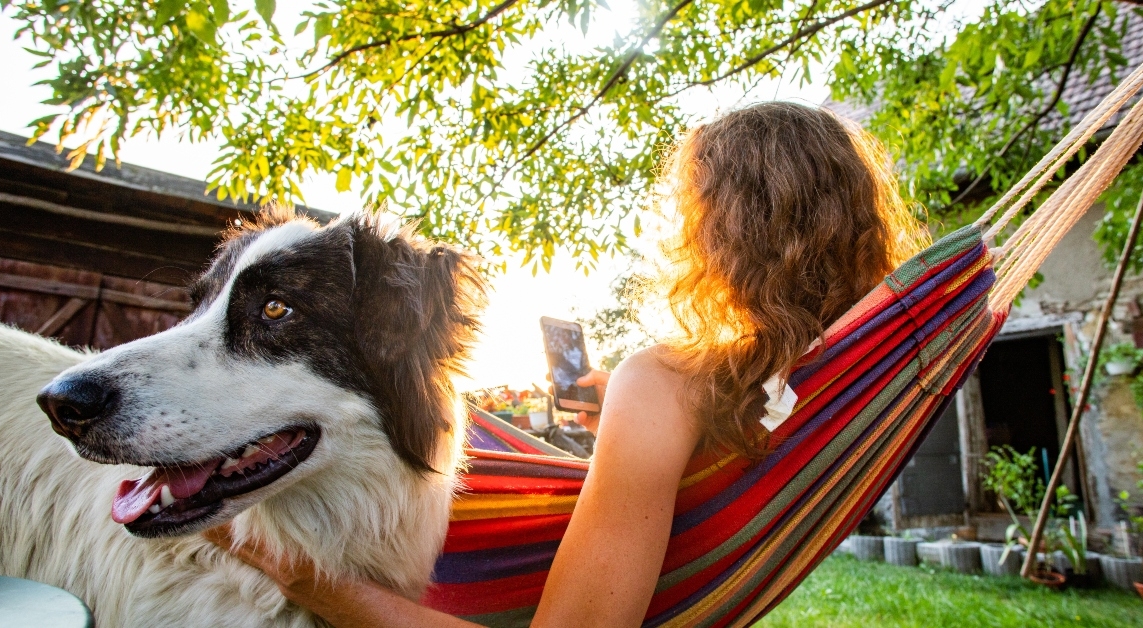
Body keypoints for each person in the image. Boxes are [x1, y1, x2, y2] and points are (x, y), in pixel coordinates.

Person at [204, 101, 928, 627]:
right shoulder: (845, 377)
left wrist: (299, 574)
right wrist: (628, 415)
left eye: (693, 213)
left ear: (724, 232)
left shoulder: (662, 386)